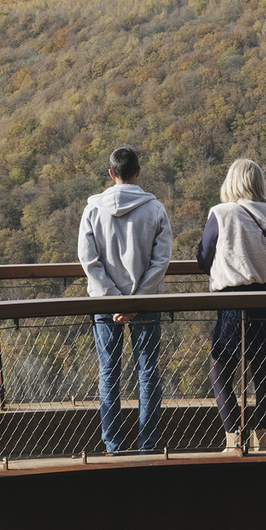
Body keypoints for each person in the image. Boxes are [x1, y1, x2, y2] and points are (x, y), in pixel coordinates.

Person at [197, 159, 266, 453]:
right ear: (259, 183)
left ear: (230, 182)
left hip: (233, 300)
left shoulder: (221, 214)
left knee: (220, 370)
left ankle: (234, 436)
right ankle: (261, 438)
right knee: (262, 371)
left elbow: (203, 256)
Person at [78, 146, 173, 454]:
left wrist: (114, 299)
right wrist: (135, 300)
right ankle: (148, 446)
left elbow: (88, 259)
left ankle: (114, 447)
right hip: (145, 304)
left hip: (104, 306)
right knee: (147, 372)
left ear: (111, 174)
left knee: (108, 373)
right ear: (138, 172)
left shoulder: (93, 209)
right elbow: (161, 260)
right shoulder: (155, 209)